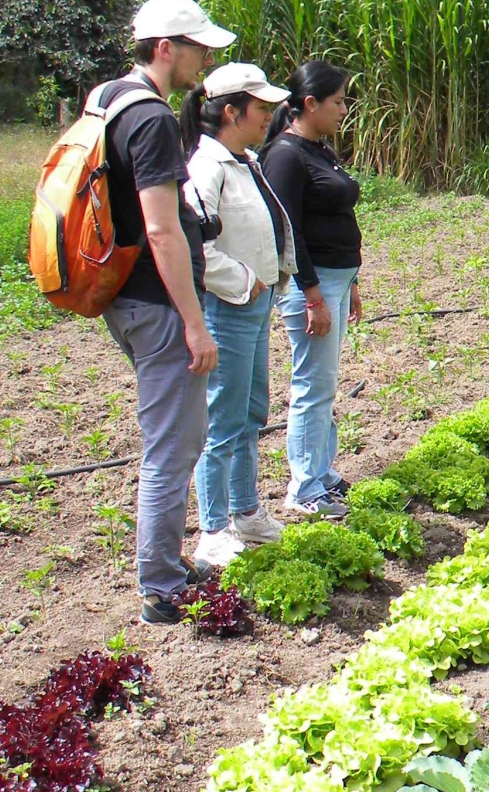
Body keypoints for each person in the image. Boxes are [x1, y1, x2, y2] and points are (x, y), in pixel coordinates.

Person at [99, 0, 235, 624]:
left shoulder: (108, 98)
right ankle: (159, 585)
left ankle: (169, 565)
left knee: (175, 436)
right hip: (158, 302)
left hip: (125, 296)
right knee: (172, 445)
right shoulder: (151, 117)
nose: (207, 58)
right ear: (163, 46)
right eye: (198, 46)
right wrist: (194, 322)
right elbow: (161, 229)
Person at [180, 63, 296, 567]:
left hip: (254, 305)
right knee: (223, 419)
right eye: (262, 109)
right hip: (229, 308)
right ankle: (212, 528)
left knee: (250, 411)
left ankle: (246, 511)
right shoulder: (205, 168)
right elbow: (192, 246)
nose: (269, 117)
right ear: (231, 111)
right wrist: (245, 283)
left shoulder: (243, 160)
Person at [260, 61, 362, 519]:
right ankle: (303, 487)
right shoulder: (285, 155)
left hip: (336, 281)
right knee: (311, 385)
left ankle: (322, 472)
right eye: (338, 101)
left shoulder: (319, 150)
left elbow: (338, 219)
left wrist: (351, 282)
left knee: (325, 382)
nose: (344, 109)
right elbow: (290, 231)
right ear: (310, 104)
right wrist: (315, 296)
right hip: (311, 286)